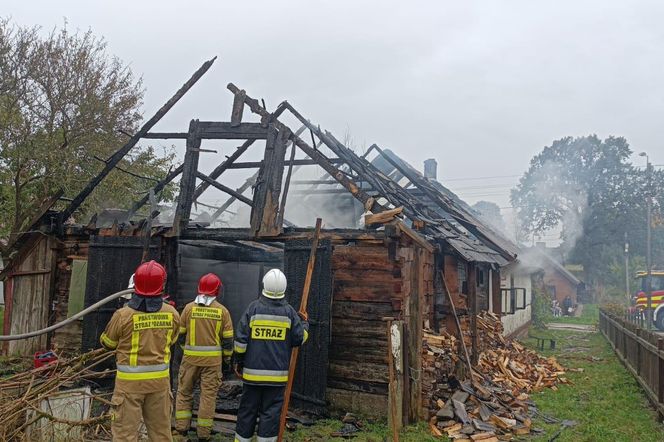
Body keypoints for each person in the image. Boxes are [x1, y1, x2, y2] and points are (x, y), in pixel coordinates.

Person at [100, 260, 180, 442]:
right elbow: (173, 340)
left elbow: (108, 343)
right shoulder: (172, 313)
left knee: (125, 435)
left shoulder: (123, 315)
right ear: (162, 284)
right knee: (161, 435)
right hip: (159, 384)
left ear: (135, 285)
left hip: (129, 387)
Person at [233, 269, 309, 442]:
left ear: (264, 286)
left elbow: (240, 342)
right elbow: (299, 339)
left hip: (252, 376)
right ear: (284, 288)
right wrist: (304, 324)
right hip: (277, 378)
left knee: (247, 411)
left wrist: (239, 361)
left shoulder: (253, 309)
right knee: (271, 414)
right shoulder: (289, 313)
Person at [174, 273, 234, 441]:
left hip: (190, 360)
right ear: (217, 290)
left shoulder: (188, 309)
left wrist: (186, 350)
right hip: (213, 362)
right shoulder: (222, 311)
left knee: (184, 393)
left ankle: (181, 430)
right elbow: (228, 341)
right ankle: (203, 435)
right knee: (208, 397)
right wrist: (227, 359)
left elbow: (180, 336)